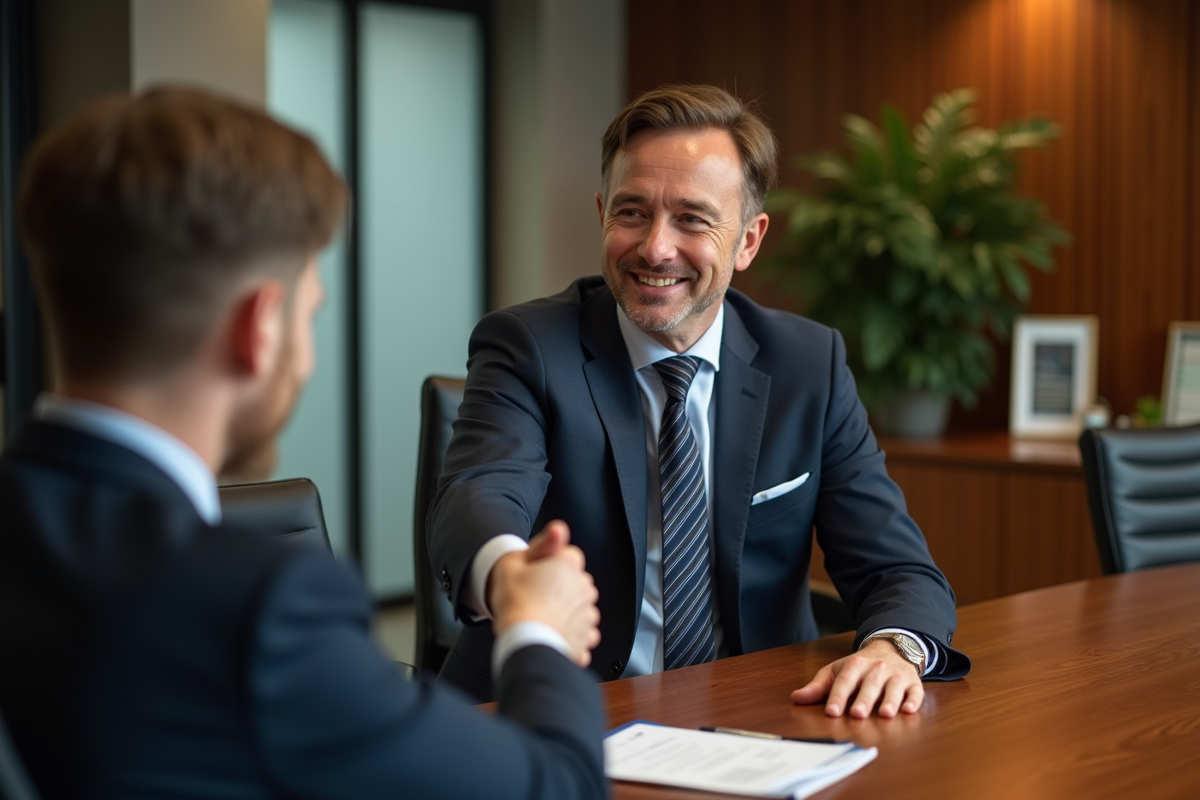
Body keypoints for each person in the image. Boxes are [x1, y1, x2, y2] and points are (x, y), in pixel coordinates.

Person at [0, 87, 606, 800]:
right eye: (310, 313)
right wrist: (537, 632)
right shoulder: (259, 607)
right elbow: (558, 788)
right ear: (258, 328)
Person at [427, 83, 971, 714]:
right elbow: (480, 492)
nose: (656, 247)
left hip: (758, 716)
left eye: (692, 218)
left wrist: (892, 649)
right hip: (553, 712)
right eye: (632, 212)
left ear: (748, 239)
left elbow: (898, 566)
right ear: (602, 211)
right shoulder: (529, 346)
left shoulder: (808, 365)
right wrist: (510, 577)